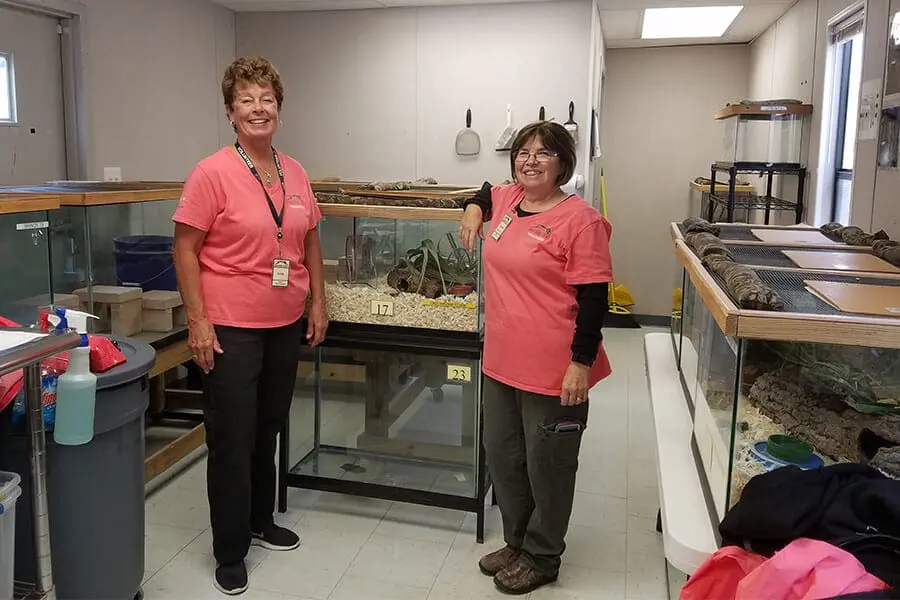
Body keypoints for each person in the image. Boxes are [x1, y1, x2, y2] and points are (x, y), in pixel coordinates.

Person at [172, 55, 327, 596]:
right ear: (231, 111)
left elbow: (308, 239)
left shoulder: (295, 171)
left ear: (279, 110)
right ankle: (230, 547)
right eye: (247, 100)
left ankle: (261, 520)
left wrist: (317, 303)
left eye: (267, 99)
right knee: (233, 436)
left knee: (268, 424)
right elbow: (185, 249)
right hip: (231, 324)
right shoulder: (212, 172)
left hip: (285, 320)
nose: (258, 108)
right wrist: (198, 321)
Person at [459, 121, 613, 595]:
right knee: (504, 459)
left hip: (555, 368)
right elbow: (484, 192)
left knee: (548, 464)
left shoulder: (580, 220)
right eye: (523, 152)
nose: (530, 160)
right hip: (502, 361)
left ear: (563, 163)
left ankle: (543, 556)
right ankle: (517, 540)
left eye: (543, 153)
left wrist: (580, 363)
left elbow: (594, 298)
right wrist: (471, 208)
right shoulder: (507, 200)